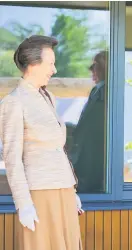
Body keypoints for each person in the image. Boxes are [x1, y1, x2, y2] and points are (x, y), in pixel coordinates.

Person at [0, 35, 83, 250]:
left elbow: (58, 149)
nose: (54, 70)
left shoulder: (49, 97)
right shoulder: (13, 102)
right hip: (40, 193)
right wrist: (23, 204)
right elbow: (12, 159)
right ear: (33, 64)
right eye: (51, 63)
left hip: (63, 188)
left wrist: (71, 191)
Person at [68, 51, 107, 193]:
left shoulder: (106, 92)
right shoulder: (97, 91)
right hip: (85, 157)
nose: (91, 70)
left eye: (95, 65)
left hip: (95, 159)